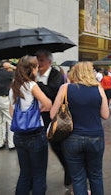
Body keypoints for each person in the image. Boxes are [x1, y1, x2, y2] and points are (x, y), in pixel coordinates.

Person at [51, 62, 109, 195]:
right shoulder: (98, 88)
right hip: (95, 136)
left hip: (71, 138)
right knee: (96, 175)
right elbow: (105, 115)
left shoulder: (65, 88)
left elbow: (53, 114)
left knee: (77, 178)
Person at [9, 55, 52, 195]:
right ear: (32, 69)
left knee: (25, 174)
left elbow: (12, 113)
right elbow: (48, 104)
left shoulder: (13, 86)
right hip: (35, 135)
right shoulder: (32, 86)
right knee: (39, 174)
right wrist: (35, 112)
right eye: (36, 67)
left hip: (19, 135)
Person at [35, 49, 70, 186]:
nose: (38, 63)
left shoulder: (56, 75)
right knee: (38, 148)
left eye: (41, 60)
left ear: (49, 62)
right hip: (36, 117)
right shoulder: (33, 74)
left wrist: (37, 85)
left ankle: (68, 169)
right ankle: (36, 179)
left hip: (52, 116)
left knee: (57, 146)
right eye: (37, 59)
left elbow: (53, 93)